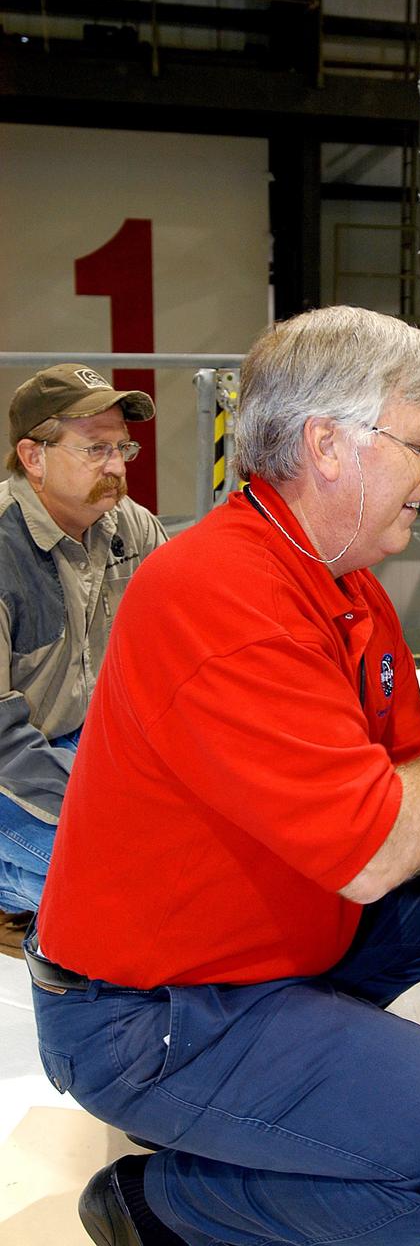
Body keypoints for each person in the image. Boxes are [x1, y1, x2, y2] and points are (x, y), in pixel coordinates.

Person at [29, 307, 420, 1246]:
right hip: (134, 1020)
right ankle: (167, 1207)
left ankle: (278, 1104)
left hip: (220, 963)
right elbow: (374, 847)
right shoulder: (223, 596)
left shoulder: (336, 584)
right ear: (328, 446)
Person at [0, 363, 166, 951]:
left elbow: (179, 651)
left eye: (123, 447)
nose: (118, 467)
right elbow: (2, 743)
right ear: (33, 455)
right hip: (9, 769)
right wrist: (104, 800)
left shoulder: (131, 528)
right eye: (96, 449)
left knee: (193, 859)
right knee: (132, 883)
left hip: (82, 745)